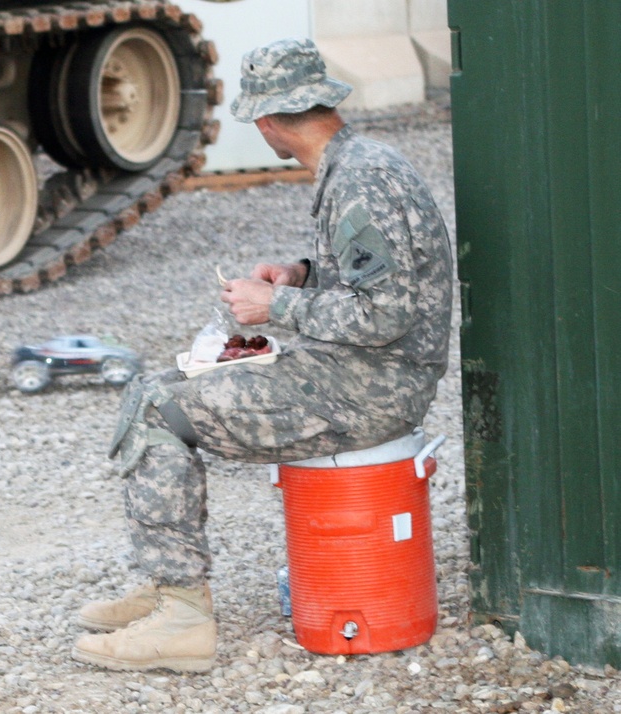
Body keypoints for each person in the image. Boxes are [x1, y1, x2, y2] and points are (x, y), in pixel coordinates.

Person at [70, 37, 453, 673]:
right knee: (149, 388)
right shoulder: (359, 163)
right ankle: (166, 584)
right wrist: (301, 274)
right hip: (358, 375)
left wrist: (271, 307)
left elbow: (387, 316)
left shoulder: (360, 184)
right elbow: (381, 282)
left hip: (369, 390)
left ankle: (184, 619)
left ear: (270, 122)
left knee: (163, 409)